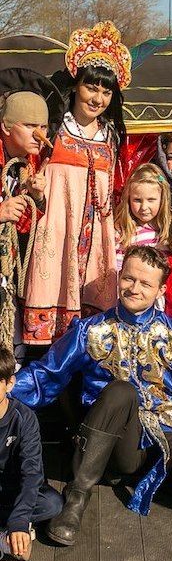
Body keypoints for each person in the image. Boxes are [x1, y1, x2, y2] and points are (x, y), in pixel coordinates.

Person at [13, 246, 172, 546]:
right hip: (114, 440)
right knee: (122, 390)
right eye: (129, 279)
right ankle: (77, 494)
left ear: (161, 290)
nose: (134, 288)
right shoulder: (90, 331)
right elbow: (47, 374)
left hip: (166, 435)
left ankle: (151, 478)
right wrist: (6, 391)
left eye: (145, 283)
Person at [23, 21, 131, 346]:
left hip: (97, 238)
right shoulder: (53, 130)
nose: (98, 98)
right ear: (75, 86)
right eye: (91, 88)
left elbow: (118, 189)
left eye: (106, 92)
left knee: (92, 338)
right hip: (56, 232)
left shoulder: (112, 136)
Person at [0, 70, 64, 362]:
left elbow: (26, 227)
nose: (40, 135)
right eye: (29, 126)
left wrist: (36, 198)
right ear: (6, 127)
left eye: (43, 127)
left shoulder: (30, 165)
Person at [0, 347, 63, 561]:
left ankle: (14, 528)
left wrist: (19, 520)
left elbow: (32, 471)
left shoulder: (24, 418)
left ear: (10, 383)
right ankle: (6, 538)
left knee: (52, 503)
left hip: (13, 488)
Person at [115, 162, 172, 271]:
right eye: (137, 200)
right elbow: (118, 267)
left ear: (162, 199)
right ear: (128, 199)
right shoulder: (123, 233)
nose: (144, 207)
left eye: (151, 200)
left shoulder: (170, 231)